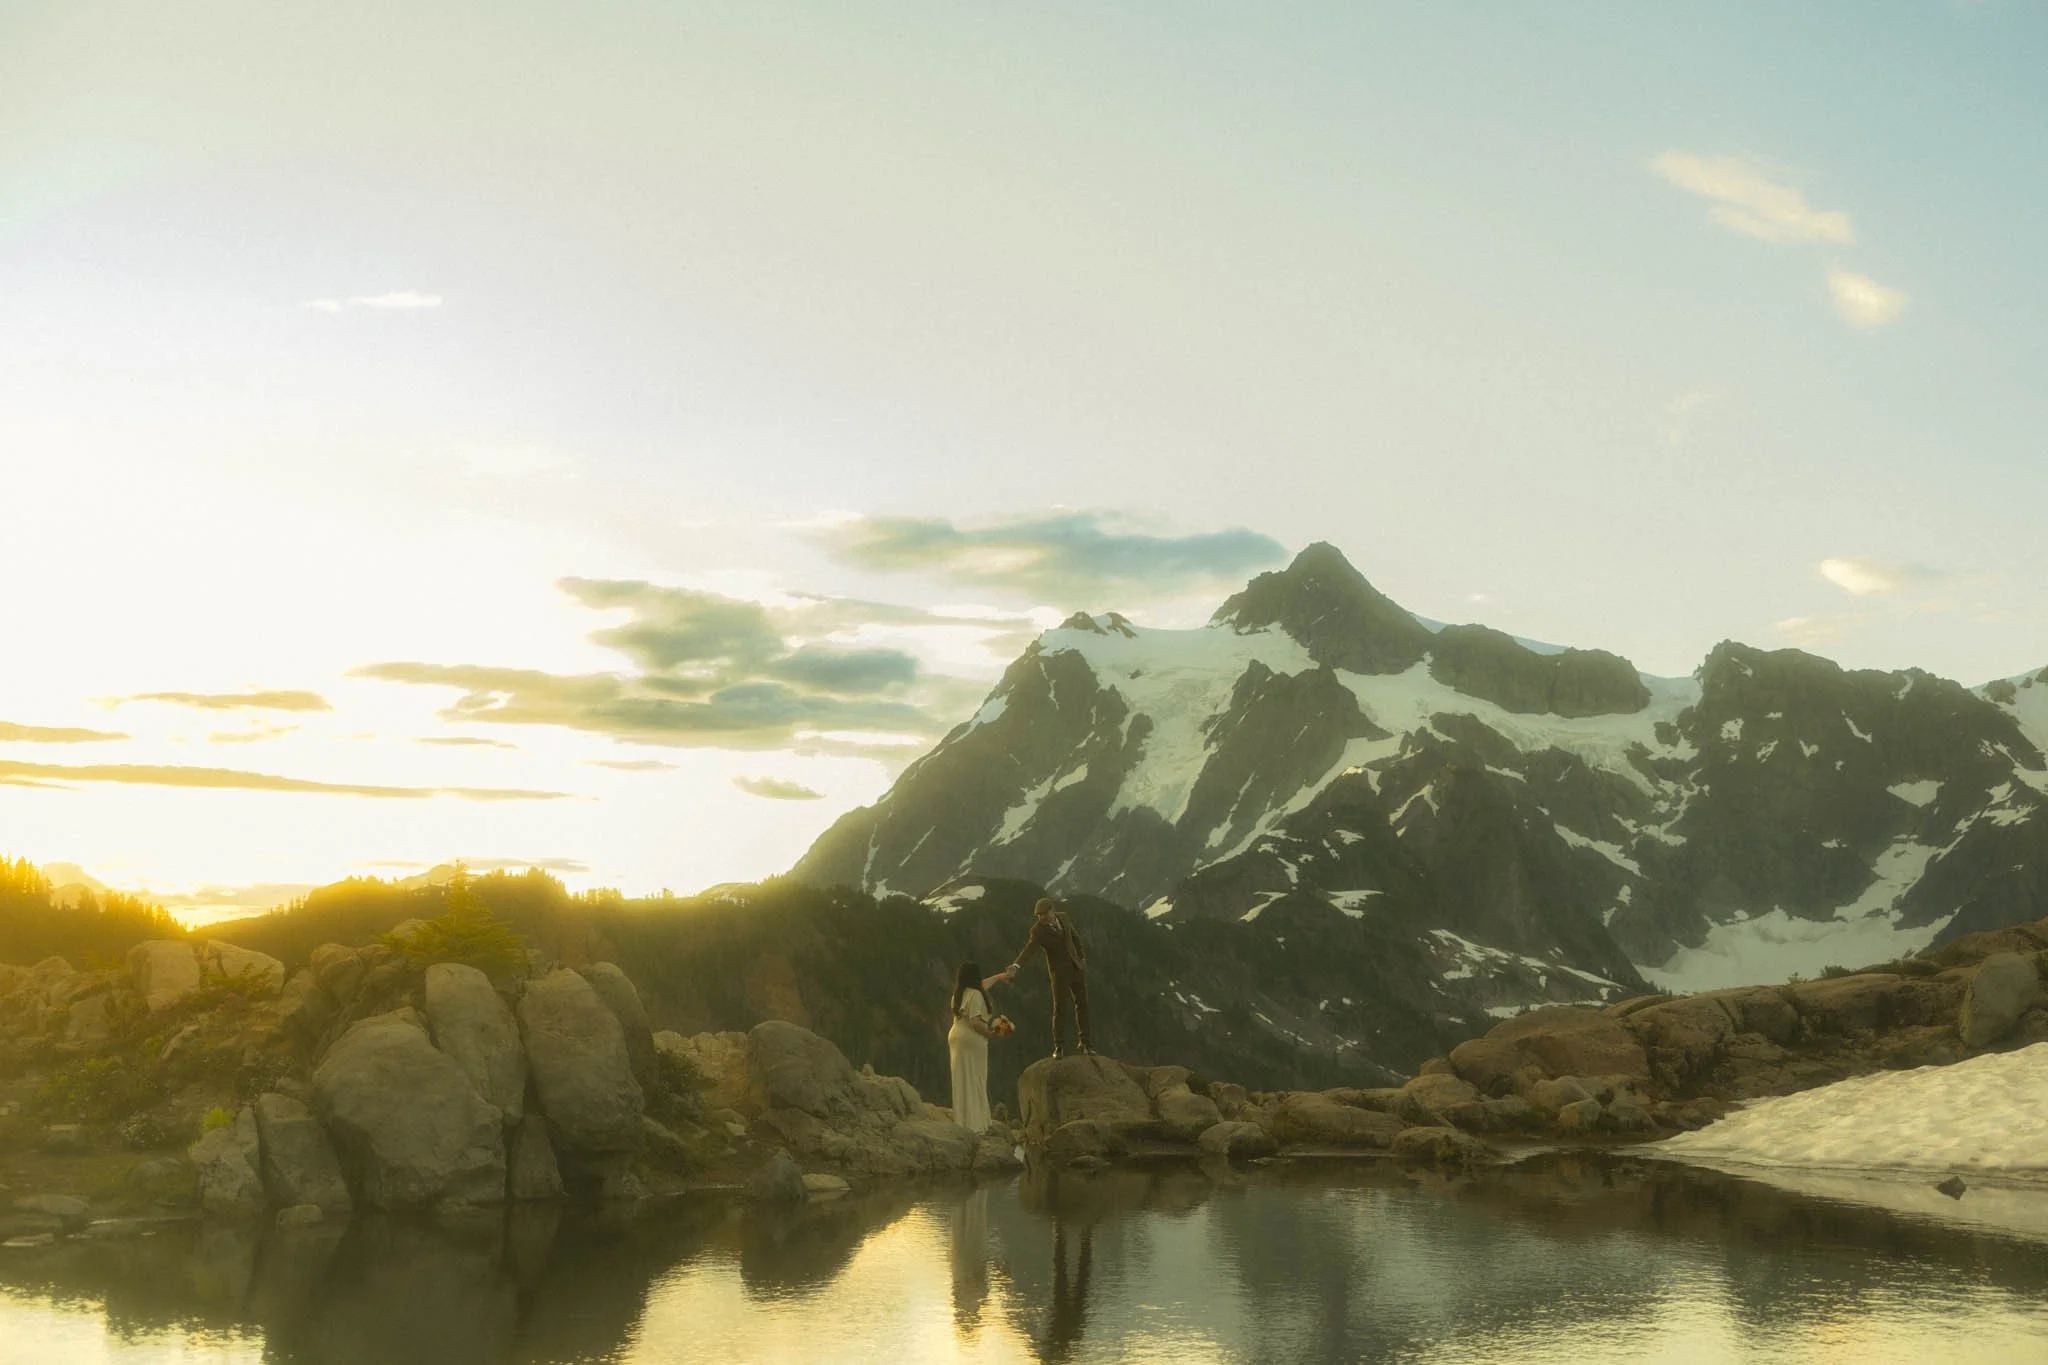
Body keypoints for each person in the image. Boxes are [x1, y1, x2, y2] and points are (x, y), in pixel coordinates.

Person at [1008, 897, 1090, 1058]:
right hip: (1059, 974)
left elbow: (1074, 937)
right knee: (1060, 1008)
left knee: (1082, 1005)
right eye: (1038, 915)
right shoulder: (1038, 931)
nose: (1041, 918)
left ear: (1052, 910)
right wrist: (1016, 965)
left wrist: (1082, 957)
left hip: (1076, 968)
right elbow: (1030, 949)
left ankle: (1086, 1043)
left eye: (1044, 914)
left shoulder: (1064, 917)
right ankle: (1059, 1046)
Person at [948, 960, 1011, 1134]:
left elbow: (983, 985)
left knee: (961, 1079)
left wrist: (998, 977)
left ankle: (962, 1120)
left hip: (956, 1035)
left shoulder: (958, 994)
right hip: (971, 1039)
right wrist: (991, 1033)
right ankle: (975, 1124)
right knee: (975, 1078)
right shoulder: (976, 995)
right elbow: (975, 1022)